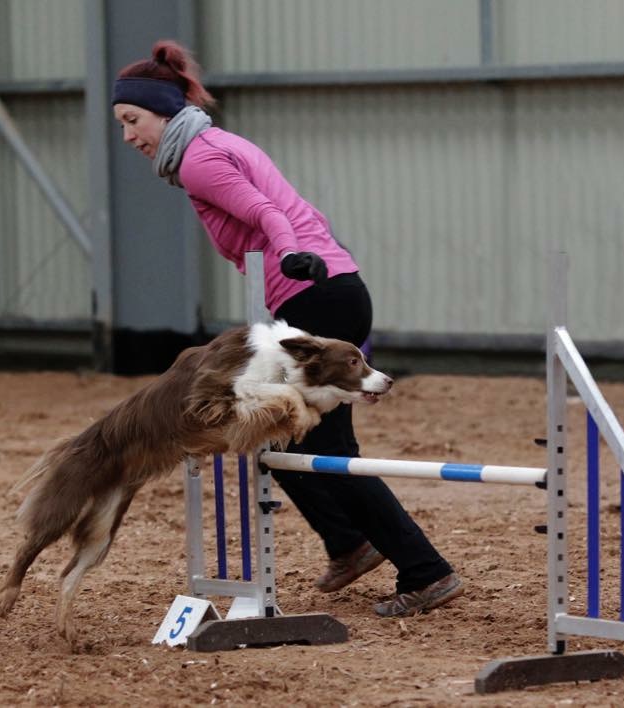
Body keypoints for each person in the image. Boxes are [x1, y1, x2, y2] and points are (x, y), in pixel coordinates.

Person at [111, 40, 463, 617]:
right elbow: (301, 213)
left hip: (313, 291)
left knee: (316, 446)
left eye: (132, 121)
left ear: (164, 113)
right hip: (333, 291)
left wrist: (291, 253)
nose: (128, 136)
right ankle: (350, 545)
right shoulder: (214, 144)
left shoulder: (199, 159)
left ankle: (425, 571)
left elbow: (269, 215)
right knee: (291, 440)